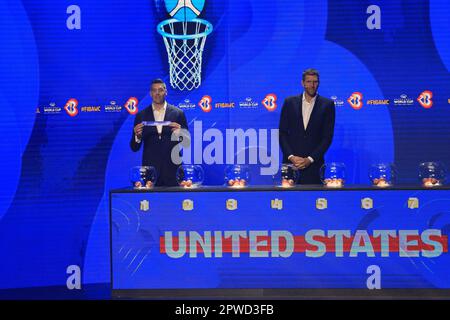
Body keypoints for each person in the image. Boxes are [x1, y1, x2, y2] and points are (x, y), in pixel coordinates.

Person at [278, 69, 335, 184]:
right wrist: (291, 157)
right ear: (303, 83)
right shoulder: (289, 102)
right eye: (309, 82)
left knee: (313, 200)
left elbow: (327, 138)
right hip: (290, 165)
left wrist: (309, 159)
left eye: (315, 82)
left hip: (314, 166)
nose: (312, 85)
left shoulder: (327, 105)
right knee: (288, 201)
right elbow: (282, 133)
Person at [130, 79, 188, 186]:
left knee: (175, 202)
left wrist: (181, 133)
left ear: (166, 92)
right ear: (150, 93)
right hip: (150, 173)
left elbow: (186, 142)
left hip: (174, 170)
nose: (157, 93)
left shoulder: (178, 113)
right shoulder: (141, 115)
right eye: (154, 90)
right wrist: (137, 137)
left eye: (160, 90)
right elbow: (134, 147)